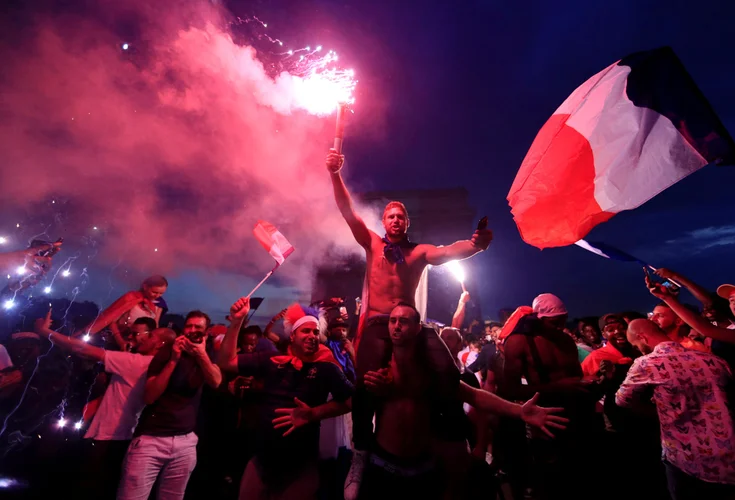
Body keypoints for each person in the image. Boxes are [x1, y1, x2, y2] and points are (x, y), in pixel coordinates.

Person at [325, 149, 493, 498]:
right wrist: (334, 174)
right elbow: (347, 211)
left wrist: (475, 246)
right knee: (362, 387)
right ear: (384, 222)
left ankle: (446, 437)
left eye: (401, 216)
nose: (396, 220)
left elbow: (448, 251)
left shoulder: (418, 252)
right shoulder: (371, 243)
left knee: (447, 373)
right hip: (376, 324)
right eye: (391, 215)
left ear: (407, 223)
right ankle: (360, 454)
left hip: (409, 323)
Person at [360, 304, 568, 500]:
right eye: (393, 321)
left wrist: (519, 411)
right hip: (384, 461)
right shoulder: (378, 368)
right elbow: (357, 403)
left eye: (403, 321)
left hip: (421, 463)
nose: (397, 326)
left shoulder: (431, 372)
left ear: (418, 328)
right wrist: (373, 391)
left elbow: (475, 395)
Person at [218, 299, 353, 500]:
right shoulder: (272, 360)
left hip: (301, 466)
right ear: (292, 336)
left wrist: (314, 413)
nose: (312, 336)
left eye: (316, 332)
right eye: (305, 331)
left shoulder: (327, 368)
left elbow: (352, 401)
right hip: (262, 461)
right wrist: (237, 321)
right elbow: (227, 362)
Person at [34, 310, 175, 498]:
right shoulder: (155, 365)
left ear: (160, 343)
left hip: (110, 434)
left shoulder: (136, 362)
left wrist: (45, 332)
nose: (144, 338)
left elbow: (81, 349)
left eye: (150, 336)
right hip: (127, 433)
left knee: (91, 485)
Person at [616, 319, 735, 500]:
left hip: (685, 458)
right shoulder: (714, 360)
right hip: (732, 456)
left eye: (635, 344)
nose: (637, 349)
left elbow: (622, 400)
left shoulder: (647, 363)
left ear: (642, 337)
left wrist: (653, 411)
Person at [502, 293, 602, 500]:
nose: (560, 326)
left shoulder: (565, 340)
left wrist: (594, 381)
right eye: (554, 322)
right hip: (545, 417)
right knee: (548, 478)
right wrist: (556, 386)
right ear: (538, 319)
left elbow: (576, 378)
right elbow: (509, 390)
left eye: (563, 321)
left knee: (579, 476)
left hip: (576, 415)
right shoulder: (519, 342)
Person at [117, 310, 221, 500]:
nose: (192, 331)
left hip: (185, 442)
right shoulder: (167, 352)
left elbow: (215, 381)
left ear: (205, 334)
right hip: (151, 439)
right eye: (189, 326)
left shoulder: (207, 355)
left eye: (198, 328)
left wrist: (201, 354)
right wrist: (173, 359)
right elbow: (149, 396)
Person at [82, 275, 169, 337]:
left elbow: (155, 324)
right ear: (145, 287)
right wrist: (120, 341)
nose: (157, 296)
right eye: (154, 292)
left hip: (141, 342)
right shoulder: (131, 297)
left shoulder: (159, 304)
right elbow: (112, 321)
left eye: (161, 293)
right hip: (121, 336)